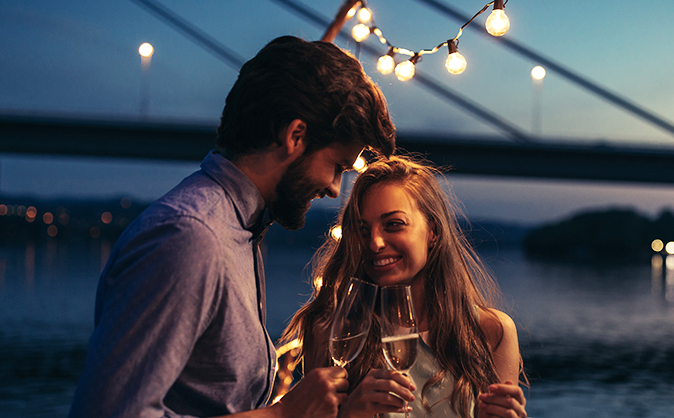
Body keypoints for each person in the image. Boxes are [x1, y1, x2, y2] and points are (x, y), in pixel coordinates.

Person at [69, 35, 396, 418]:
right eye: (338, 165)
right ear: (295, 136)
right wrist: (281, 415)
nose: (333, 187)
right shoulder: (191, 238)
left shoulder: (240, 230)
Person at [281, 156, 527, 418]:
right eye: (364, 230)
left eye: (393, 225)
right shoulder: (328, 332)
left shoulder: (491, 331)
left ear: (433, 232)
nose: (375, 243)